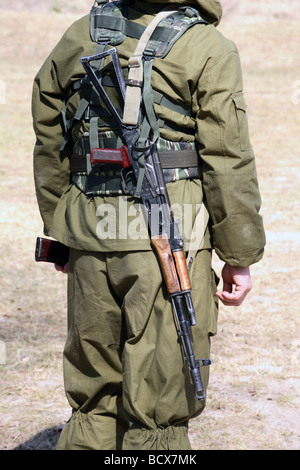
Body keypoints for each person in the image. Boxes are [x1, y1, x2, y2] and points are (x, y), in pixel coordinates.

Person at [32, 0, 265, 450]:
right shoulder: (207, 46)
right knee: (159, 407)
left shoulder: (82, 33)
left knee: (92, 398)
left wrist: (61, 229)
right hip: (169, 240)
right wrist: (240, 257)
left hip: (90, 232)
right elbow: (228, 158)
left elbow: (49, 133)